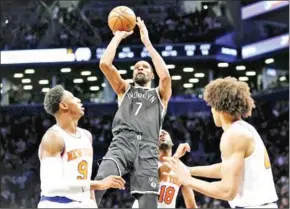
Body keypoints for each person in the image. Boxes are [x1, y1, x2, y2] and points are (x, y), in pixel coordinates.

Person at [163, 77, 278, 208]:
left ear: (219, 107)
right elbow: (227, 169)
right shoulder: (245, 128)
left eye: (212, 106)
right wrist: (188, 170)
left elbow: (227, 191)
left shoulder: (233, 135)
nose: (211, 111)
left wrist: (187, 180)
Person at [95, 17, 172, 208]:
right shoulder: (124, 89)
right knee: (99, 182)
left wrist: (147, 42)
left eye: (144, 66)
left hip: (148, 148)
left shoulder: (160, 95)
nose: (139, 67)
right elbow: (105, 64)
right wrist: (118, 37)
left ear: (151, 74)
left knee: (148, 203)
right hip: (122, 143)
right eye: (136, 67)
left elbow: (166, 77)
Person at [37, 85, 125, 208]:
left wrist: (93, 203)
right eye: (73, 98)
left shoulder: (86, 135)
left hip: (83, 203)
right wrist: (99, 184)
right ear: (64, 105)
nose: (79, 99)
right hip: (57, 203)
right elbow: (52, 186)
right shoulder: (53, 137)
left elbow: (86, 178)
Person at [132, 130, 198, 208]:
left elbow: (191, 205)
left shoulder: (182, 169)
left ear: (172, 143)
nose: (162, 134)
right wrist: (176, 155)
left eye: (164, 133)